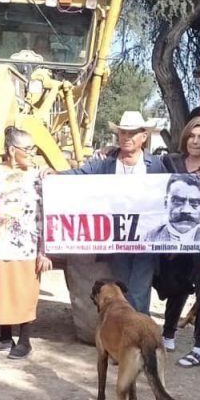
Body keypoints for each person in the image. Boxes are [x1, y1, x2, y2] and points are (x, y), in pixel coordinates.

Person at [62, 110, 165, 314]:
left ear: (143, 137)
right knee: (121, 288)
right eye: (123, 133)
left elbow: (168, 195)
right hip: (116, 238)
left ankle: (137, 331)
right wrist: (55, 175)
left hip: (146, 240)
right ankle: (122, 332)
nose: (126, 137)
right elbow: (80, 174)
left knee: (140, 290)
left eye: (132, 133)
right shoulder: (106, 163)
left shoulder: (155, 165)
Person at [153, 117, 200, 368]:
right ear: (185, 137)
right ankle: (168, 332)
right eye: (192, 136)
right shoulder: (169, 161)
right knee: (175, 285)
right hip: (174, 236)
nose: (196, 141)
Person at [0, 127, 52, 360]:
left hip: (28, 245)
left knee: (25, 291)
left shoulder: (38, 176)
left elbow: (47, 213)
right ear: (12, 150)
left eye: (33, 149)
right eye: (28, 149)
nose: (32, 153)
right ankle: (3, 337)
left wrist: (45, 250)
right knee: (1, 290)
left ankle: (25, 340)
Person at [143, 174, 200, 243]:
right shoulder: (149, 238)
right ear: (166, 203)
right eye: (177, 201)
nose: (185, 210)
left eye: (195, 202)